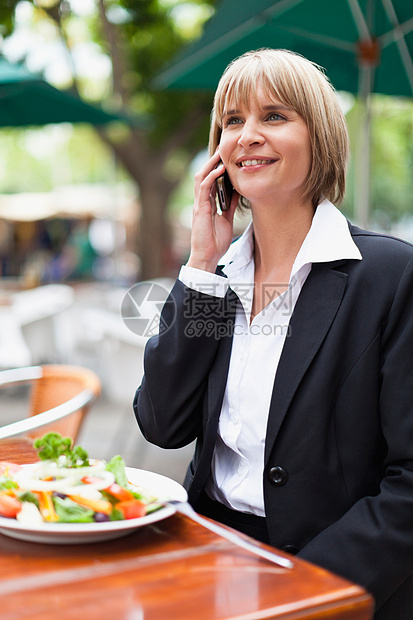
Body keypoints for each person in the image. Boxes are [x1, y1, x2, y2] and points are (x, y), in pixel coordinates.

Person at [133, 49, 413, 619]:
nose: (247, 135)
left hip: (328, 577)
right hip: (208, 556)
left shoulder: (389, 276)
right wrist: (203, 265)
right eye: (233, 121)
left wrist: (303, 589)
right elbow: (164, 425)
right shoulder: (219, 277)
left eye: (275, 116)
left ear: (321, 138)